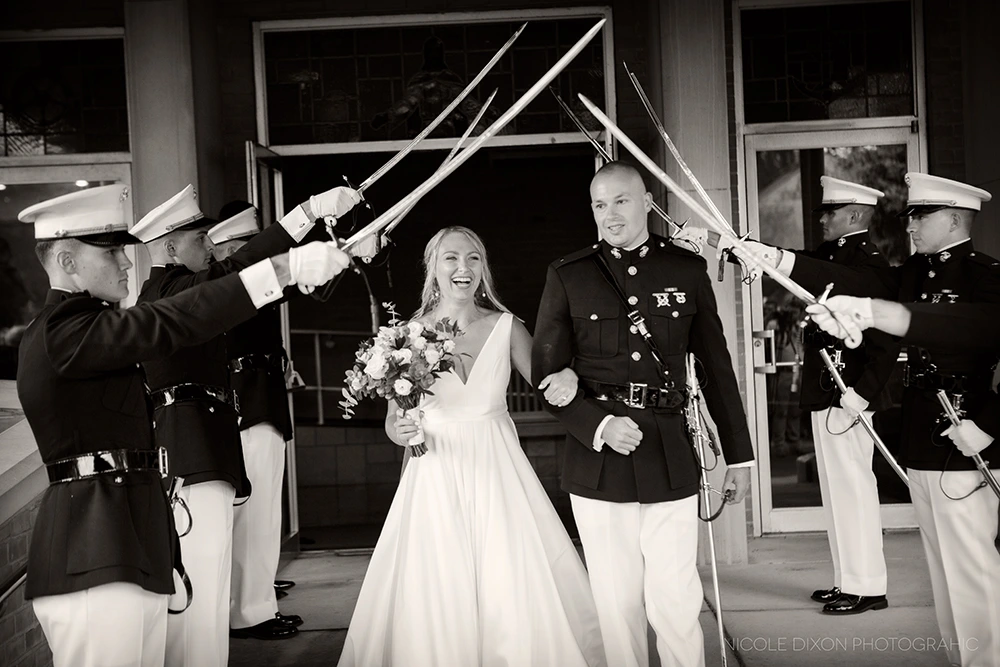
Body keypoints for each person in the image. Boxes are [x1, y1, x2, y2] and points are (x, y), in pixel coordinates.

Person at [15, 184, 349, 667]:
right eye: (110, 253)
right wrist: (281, 269)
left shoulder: (85, 328)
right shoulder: (61, 332)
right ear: (67, 261)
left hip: (126, 542)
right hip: (93, 548)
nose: (127, 263)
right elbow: (173, 319)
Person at [736, 173, 1000, 667]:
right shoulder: (913, 274)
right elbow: (857, 284)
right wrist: (775, 259)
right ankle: (963, 658)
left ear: (954, 219)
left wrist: (989, 424)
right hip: (922, 435)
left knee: (973, 569)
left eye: (921, 216)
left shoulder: (986, 277)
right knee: (944, 570)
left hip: (967, 435)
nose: (910, 226)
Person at [339, 226, 606, 667]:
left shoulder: (507, 327)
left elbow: (548, 385)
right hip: (435, 472)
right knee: (438, 576)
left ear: (483, 268)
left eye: (473, 258)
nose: (462, 267)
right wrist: (399, 431)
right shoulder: (404, 336)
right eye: (451, 257)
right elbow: (392, 421)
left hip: (498, 467)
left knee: (509, 571)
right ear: (433, 268)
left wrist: (572, 377)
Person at [532, 161, 754, 667]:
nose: (609, 214)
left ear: (647, 203)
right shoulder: (569, 274)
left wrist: (738, 458)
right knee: (617, 600)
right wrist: (599, 425)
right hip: (598, 460)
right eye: (599, 204)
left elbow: (717, 369)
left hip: (669, 453)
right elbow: (546, 377)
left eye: (621, 201)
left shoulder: (685, 270)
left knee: (675, 596)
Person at [130, 183, 360, 664]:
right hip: (191, 451)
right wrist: (306, 213)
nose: (210, 246)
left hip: (207, 446)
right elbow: (235, 274)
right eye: (200, 239)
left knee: (210, 579)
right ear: (170, 249)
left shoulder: (176, 290)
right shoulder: (171, 292)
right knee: (200, 581)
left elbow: (244, 284)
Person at [792, 177, 900, 613]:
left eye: (831, 212)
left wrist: (863, 394)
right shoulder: (831, 257)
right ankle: (847, 580)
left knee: (854, 489)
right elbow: (798, 265)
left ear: (854, 215)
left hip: (849, 396)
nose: (823, 219)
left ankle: (869, 587)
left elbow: (885, 343)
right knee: (837, 493)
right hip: (827, 393)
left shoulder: (869, 266)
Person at [208, 202, 303, 638]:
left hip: (262, 396)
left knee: (263, 511)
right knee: (255, 512)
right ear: (229, 247)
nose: (258, 252)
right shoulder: (229, 283)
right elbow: (285, 282)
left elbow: (292, 285)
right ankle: (250, 611)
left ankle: (256, 594)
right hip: (248, 401)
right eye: (249, 244)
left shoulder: (238, 282)